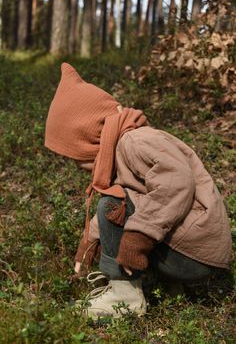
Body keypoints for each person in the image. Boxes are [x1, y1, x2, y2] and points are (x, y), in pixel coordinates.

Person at [44, 63, 232, 318]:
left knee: (112, 205)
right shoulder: (121, 146)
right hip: (194, 249)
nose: (75, 164)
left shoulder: (135, 142)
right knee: (122, 203)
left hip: (196, 255)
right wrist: (90, 243)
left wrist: (139, 237)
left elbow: (176, 182)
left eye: (73, 154)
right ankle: (172, 289)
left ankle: (125, 298)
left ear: (89, 136)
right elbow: (136, 196)